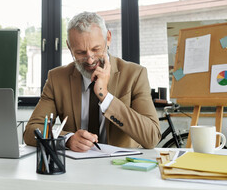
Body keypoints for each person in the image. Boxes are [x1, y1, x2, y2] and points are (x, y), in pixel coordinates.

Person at [23, 11, 161, 151]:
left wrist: (105, 96)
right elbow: (31, 131)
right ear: (70, 47)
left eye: (96, 49)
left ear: (108, 38)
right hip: (77, 168)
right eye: (81, 53)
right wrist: (67, 139)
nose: (90, 60)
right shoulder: (57, 78)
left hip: (120, 167)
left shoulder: (134, 74)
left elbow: (151, 137)